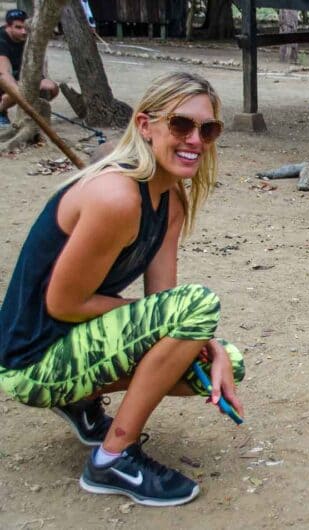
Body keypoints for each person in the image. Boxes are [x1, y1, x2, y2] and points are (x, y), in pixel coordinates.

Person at [0, 71, 245, 507]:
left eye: (207, 129)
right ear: (145, 126)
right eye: (181, 125)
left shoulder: (170, 197)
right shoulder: (117, 196)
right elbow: (64, 302)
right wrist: (192, 325)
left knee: (228, 362)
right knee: (198, 306)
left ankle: (82, 399)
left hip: (72, 347)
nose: (195, 140)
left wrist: (206, 342)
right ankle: (112, 458)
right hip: (30, 363)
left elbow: (161, 306)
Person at [0, 9, 60, 127]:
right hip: (4, 79)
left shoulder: (31, 37)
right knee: (18, 92)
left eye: (25, 27)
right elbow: (4, 73)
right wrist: (22, 91)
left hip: (18, 78)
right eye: (18, 27)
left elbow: (40, 64)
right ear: (8, 26)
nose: (23, 32)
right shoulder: (1, 40)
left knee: (51, 88)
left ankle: (32, 113)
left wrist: (42, 81)